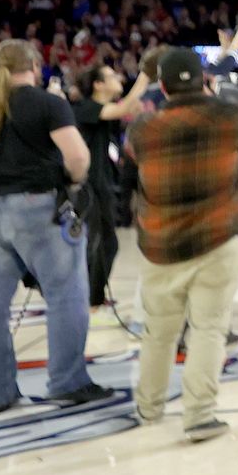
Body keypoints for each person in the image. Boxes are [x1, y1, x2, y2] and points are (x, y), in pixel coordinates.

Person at [0, 40, 110, 414]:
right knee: (65, 296)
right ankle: (68, 381)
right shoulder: (48, 103)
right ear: (34, 64)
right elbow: (78, 156)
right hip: (38, 209)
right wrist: (73, 183)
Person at [124, 47, 238, 443]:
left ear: (162, 86)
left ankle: (148, 407)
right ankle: (199, 415)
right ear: (203, 79)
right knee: (208, 329)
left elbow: (128, 173)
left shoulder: (142, 128)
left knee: (158, 332)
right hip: (216, 238)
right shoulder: (230, 116)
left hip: (160, 243)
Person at [71, 63, 150, 316]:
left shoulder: (102, 110)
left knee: (108, 243)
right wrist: (146, 75)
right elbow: (124, 107)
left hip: (103, 181)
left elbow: (127, 109)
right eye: (111, 76)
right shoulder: (86, 107)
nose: (118, 78)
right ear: (98, 84)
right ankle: (89, 300)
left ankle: (93, 296)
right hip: (89, 184)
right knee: (97, 242)